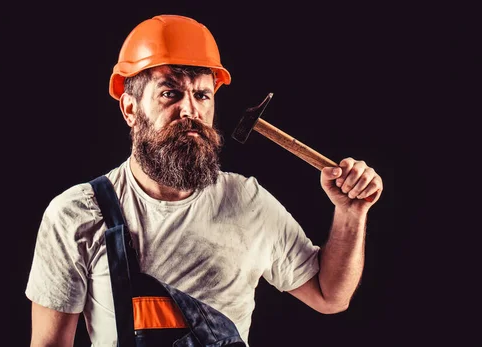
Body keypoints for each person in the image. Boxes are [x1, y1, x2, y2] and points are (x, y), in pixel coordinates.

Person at [25, 14, 383, 347]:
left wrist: (350, 213)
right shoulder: (77, 214)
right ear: (130, 109)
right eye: (170, 93)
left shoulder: (248, 203)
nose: (190, 110)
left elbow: (330, 296)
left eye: (202, 94)